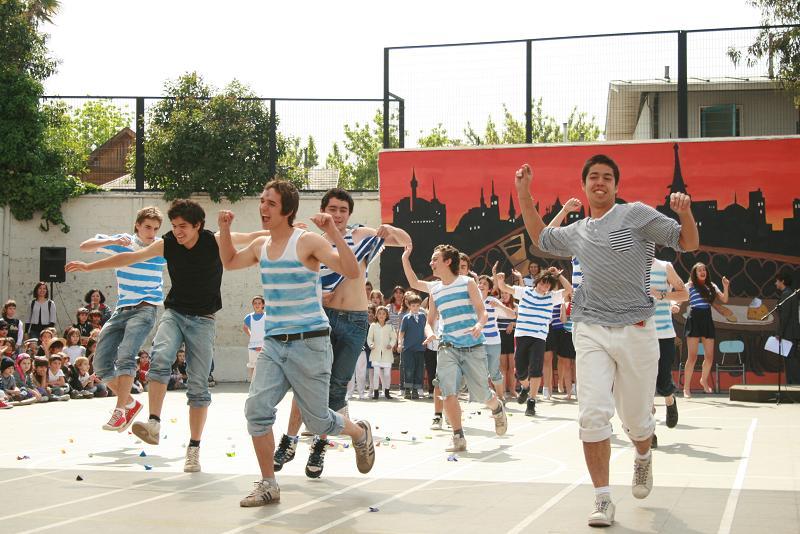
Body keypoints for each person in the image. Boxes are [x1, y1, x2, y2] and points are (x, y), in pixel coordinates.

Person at [514, 155, 698, 527]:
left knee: (636, 419)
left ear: (616, 185)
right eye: (594, 177)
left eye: (607, 177)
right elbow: (540, 238)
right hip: (590, 327)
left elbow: (687, 242)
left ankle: (643, 454)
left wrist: (686, 213)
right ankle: (602, 499)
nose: (600, 182)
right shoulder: (578, 230)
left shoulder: (636, 215)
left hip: (636, 327)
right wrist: (523, 193)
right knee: (593, 414)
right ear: (584, 185)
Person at [66, 200, 267, 473]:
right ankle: (153, 423)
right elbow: (130, 257)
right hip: (175, 313)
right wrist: (90, 268)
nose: (177, 231)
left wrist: (287, 232)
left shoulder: (214, 240)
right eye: (174, 226)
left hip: (204, 320)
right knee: (160, 357)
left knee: (198, 385)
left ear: (197, 225)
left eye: (183, 226)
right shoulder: (167, 243)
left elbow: (252, 236)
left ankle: (194, 448)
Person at [215, 179, 376, 507]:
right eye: (262, 201)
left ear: (287, 210)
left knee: (318, 421)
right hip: (274, 343)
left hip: (310, 342)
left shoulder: (307, 242)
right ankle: (269, 484)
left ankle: (360, 432)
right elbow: (230, 261)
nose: (263, 207)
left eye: (271, 203)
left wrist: (332, 232)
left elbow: (351, 270)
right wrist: (225, 229)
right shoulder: (261, 246)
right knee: (256, 410)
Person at [272, 187, 409, 479]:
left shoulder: (361, 236)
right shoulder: (312, 242)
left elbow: (404, 240)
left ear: (349, 214)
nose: (337, 215)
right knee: (308, 381)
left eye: (343, 210)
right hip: (323, 319)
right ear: (323, 210)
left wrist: (391, 229)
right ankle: (290, 439)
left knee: (334, 390)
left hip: (356, 321)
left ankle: (320, 445)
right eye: (332, 209)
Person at [416, 243, 508, 452]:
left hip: (472, 346)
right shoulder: (435, 290)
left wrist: (479, 324)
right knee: (448, 391)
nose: (431, 263)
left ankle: (496, 407)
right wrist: (430, 333)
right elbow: (430, 321)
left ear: (448, 261)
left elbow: (482, 311)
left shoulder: (467, 283)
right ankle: (458, 437)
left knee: (482, 394)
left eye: (435, 259)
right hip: (447, 345)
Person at [494, 264, 570, 417]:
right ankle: (525, 387)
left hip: (539, 337)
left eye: (548, 285)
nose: (544, 287)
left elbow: (569, 289)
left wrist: (559, 275)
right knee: (520, 371)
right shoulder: (525, 291)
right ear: (537, 281)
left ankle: (532, 401)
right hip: (522, 335)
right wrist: (500, 280)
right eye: (543, 283)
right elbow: (505, 288)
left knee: (536, 369)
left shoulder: (551, 297)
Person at [649, 257, 689, 447]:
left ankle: (669, 399)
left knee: (663, 381)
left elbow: (684, 294)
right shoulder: (628, 264)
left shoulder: (665, 267)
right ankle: (649, 432)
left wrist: (662, 295)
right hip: (638, 335)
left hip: (663, 334)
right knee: (644, 386)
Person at [684, 262, 729, 395]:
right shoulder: (689, 285)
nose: (702, 272)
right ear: (695, 273)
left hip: (707, 319)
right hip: (694, 318)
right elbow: (678, 299)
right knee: (692, 357)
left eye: (704, 270)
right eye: (699, 270)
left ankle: (703, 380)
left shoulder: (712, 285)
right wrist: (674, 305)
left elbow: (724, 299)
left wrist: (726, 286)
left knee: (709, 357)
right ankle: (686, 388)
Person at [478, 274, 516, 399]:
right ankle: (487, 397)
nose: (481, 285)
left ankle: (500, 397)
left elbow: (512, 315)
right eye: (480, 283)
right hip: (477, 341)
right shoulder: (472, 300)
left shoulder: (493, 301)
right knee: (480, 371)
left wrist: (499, 306)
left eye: (484, 284)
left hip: (493, 341)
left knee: (494, 371)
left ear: (490, 289)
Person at [399, 292, 427, 399]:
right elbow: (402, 333)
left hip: (420, 348)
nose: (415, 308)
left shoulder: (423, 317)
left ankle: (415, 390)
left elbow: (426, 329)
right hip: (408, 349)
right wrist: (400, 343)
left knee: (419, 370)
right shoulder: (406, 318)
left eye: (417, 305)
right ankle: (407, 389)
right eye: (413, 305)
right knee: (408, 369)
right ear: (409, 306)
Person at [775, 271, 800, 384]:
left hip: (789, 332)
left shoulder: (787, 294)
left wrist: (779, 332)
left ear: (782, 281)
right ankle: (792, 383)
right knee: (791, 358)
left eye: (777, 281)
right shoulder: (791, 293)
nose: (776, 283)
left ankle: (794, 383)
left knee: (790, 359)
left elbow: (785, 316)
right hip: (792, 331)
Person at [367, 306, 396, 399]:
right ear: (376, 315)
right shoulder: (373, 326)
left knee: (387, 374)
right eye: (379, 313)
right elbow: (369, 338)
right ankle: (376, 392)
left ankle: (387, 391)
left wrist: (391, 345)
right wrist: (371, 344)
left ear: (386, 315)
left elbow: (393, 338)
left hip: (387, 353)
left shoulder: (390, 327)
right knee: (376, 374)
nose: (381, 315)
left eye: (383, 314)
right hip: (376, 353)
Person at [243, 296, 266, 382]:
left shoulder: (267, 317)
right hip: (252, 346)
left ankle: (263, 385)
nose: (257, 305)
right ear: (253, 305)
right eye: (255, 303)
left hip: (264, 346)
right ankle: (253, 385)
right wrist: (251, 335)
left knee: (264, 366)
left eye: (259, 303)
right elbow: (245, 328)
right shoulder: (248, 317)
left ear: (263, 305)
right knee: (252, 366)